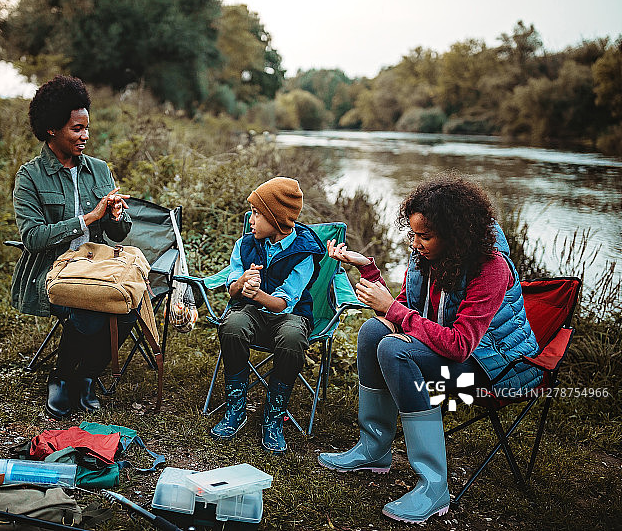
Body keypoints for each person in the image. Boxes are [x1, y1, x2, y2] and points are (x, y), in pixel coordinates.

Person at [318, 176, 542, 523]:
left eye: (425, 236)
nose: (416, 243)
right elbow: (404, 308)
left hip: (496, 365)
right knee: (373, 332)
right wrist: (367, 269)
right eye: (413, 234)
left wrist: (393, 310)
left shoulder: (491, 268)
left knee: (395, 350)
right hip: (454, 349)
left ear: (455, 234)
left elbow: (460, 345)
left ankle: (434, 486)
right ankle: (373, 448)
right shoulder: (425, 256)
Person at [11, 75, 136, 419]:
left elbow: (120, 233)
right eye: (76, 129)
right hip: (52, 271)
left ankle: (87, 376)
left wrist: (115, 216)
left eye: (87, 128)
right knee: (87, 312)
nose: (85, 136)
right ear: (51, 129)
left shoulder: (99, 170)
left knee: (130, 304)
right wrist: (88, 218)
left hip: (95, 266)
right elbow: (33, 237)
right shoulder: (30, 177)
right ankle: (62, 376)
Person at [211, 177, 326, 453]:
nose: (251, 220)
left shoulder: (305, 252)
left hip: (290, 315)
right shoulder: (246, 244)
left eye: (257, 213)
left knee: (292, 338)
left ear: (275, 218)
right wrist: (242, 283)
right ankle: (236, 408)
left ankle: (273, 416)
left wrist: (257, 293)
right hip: (251, 312)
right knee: (232, 324)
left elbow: (284, 303)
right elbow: (233, 290)